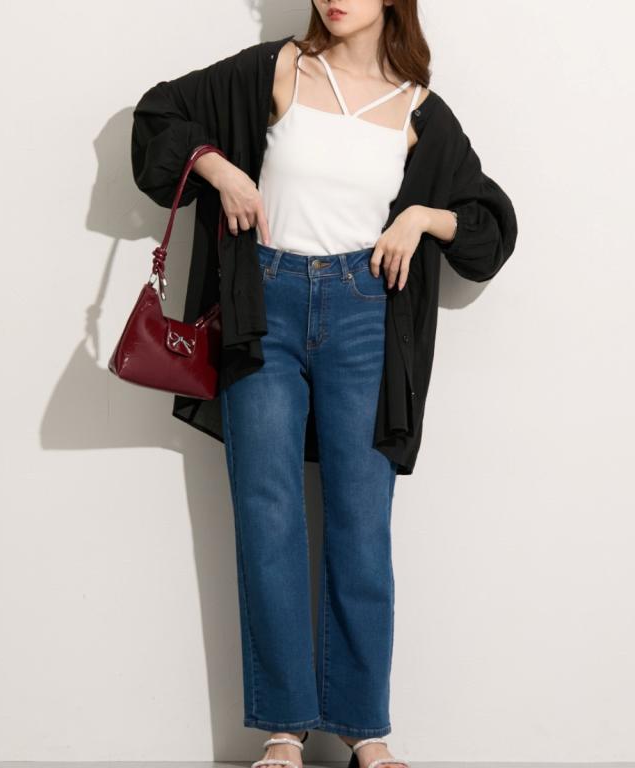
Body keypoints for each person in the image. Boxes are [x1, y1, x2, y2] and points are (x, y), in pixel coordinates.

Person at [130, 2, 518, 767]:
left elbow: (489, 230)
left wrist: (422, 218)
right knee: (267, 511)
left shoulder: (421, 111)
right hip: (263, 311)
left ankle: (364, 728)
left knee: (361, 523)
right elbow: (158, 116)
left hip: (366, 313)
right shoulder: (275, 71)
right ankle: (283, 730)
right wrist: (218, 167)